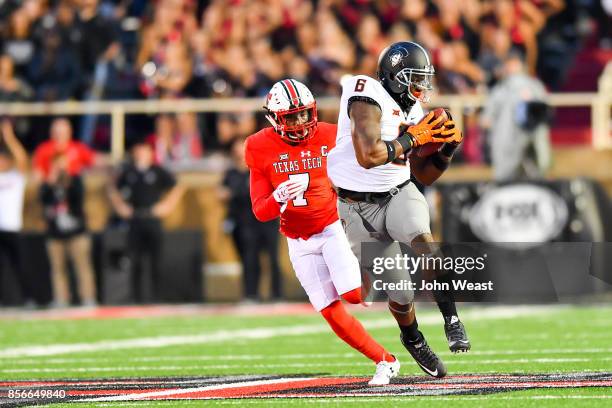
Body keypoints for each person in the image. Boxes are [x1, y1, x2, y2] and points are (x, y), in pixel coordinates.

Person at [327, 41, 468, 379]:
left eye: (425, 79)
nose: (421, 88)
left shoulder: (413, 112)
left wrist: (447, 151)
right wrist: (414, 138)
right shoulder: (364, 93)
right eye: (415, 79)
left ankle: (451, 318)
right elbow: (368, 156)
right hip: (356, 206)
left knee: (426, 245)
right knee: (401, 293)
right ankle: (413, 337)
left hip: (398, 193)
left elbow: (424, 175)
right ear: (394, 76)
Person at [246, 79, 400, 386]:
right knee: (331, 313)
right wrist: (279, 197)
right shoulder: (258, 145)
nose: (301, 123)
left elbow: (369, 159)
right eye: (291, 117)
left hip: (332, 228)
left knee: (354, 296)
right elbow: (260, 211)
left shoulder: (332, 134)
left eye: (305, 114)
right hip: (297, 240)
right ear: (275, 118)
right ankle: (386, 361)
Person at [108, 139, 184, 303]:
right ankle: (136, 298)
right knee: (135, 260)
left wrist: (167, 206)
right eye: (139, 150)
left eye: (145, 150)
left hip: (153, 219)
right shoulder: (128, 172)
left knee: (156, 260)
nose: (142, 154)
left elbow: (177, 186)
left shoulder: (157, 171)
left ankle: (157, 298)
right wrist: (120, 207)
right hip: (135, 219)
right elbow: (113, 188)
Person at [219, 138, 282, 302]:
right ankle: (251, 294)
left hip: (267, 219)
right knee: (249, 259)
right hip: (246, 221)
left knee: (273, 258)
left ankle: (277, 295)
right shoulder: (231, 173)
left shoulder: (261, 168)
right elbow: (221, 192)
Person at [481, 51, 551, 181]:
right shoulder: (501, 89)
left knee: (532, 174)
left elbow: (543, 114)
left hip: (527, 139)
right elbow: (486, 120)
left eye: (514, 63)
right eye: (509, 64)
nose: (511, 67)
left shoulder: (533, 86)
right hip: (509, 140)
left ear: (521, 65)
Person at [40, 153, 97, 308]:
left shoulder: (75, 180)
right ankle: (61, 299)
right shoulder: (48, 183)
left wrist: (66, 181)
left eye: (62, 163)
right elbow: (43, 200)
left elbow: (78, 198)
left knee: (82, 267)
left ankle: (88, 298)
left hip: (76, 232)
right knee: (58, 269)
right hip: (55, 233)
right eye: (56, 164)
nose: (59, 167)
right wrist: (50, 182)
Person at [0, 119, 32, 305]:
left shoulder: (15, 176)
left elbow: (22, 158)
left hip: (12, 227)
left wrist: (9, 137)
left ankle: (27, 298)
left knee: (20, 265)